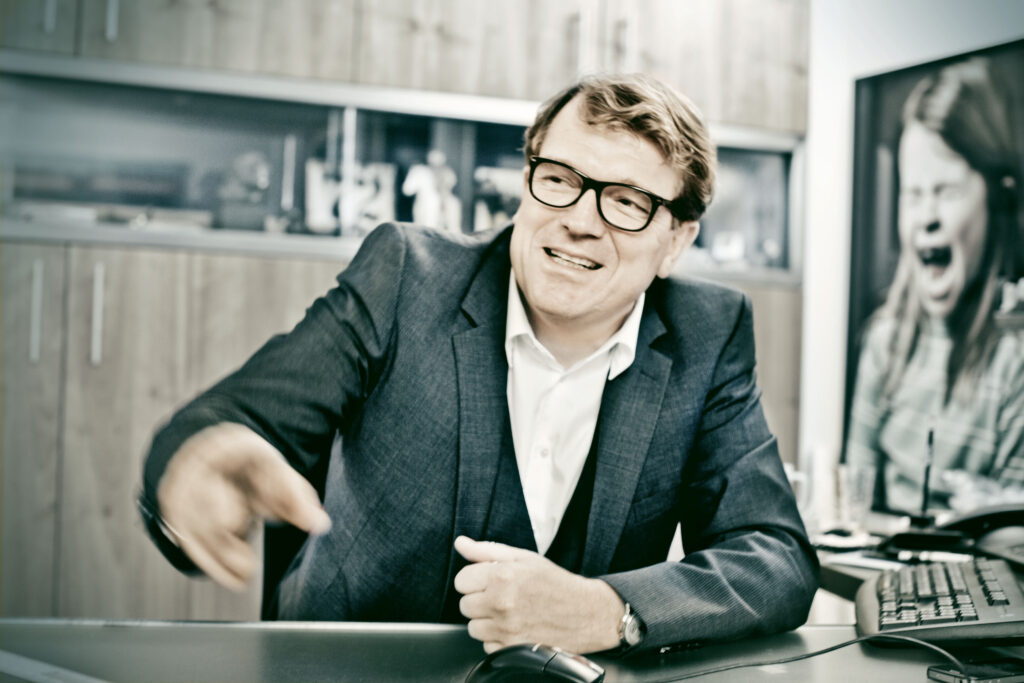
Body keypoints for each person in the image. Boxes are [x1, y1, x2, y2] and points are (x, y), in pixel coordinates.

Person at [139, 73, 818, 655]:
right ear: (526, 184)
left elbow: (775, 556)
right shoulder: (407, 276)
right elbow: (238, 421)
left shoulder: (708, 332)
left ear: (676, 240)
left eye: (626, 203)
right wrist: (193, 467)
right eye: (560, 180)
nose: (580, 221)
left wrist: (607, 611)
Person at [846, 57, 1024, 513]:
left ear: (999, 199)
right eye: (913, 194)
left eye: (945, 191)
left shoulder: (1015, 360)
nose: (926, 217)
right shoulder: (884, 341)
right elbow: (857, 505)